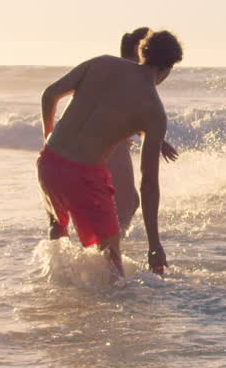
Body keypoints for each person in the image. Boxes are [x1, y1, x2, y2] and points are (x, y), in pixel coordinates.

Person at [37, 30, 184, 278]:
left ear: (142, 53)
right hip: (83, 177)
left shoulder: (102, 63)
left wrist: (49, 140)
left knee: (58, 231)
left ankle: (55, 288)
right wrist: (154, 245)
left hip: (48, 162)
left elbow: (50, 95)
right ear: (168, 68)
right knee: (111, 266)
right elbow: (148, 183)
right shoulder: (153, 110)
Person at [108, 27, 179, 231]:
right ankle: (110, 252)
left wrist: (158, 141)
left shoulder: (118, 72)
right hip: (113, 146)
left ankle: (108, 248)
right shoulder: (129, 75)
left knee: (130, 202)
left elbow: (132, 115)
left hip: (108, 145)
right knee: (127, 203)